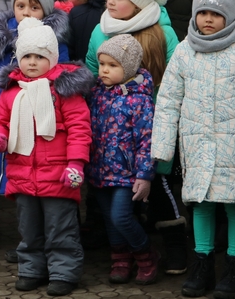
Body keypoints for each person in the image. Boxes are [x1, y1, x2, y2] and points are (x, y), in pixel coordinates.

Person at [153, 0, 235, 299]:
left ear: (230, 16)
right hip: (196, 145)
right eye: (202, 12)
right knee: (200, 204)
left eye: (216, 14)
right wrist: (163, 147)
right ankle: (201, 264)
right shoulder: (185, 51)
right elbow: (168, 100)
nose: (207, 20)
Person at [0, 18, 93, 297]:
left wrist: (75, 163)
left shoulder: (63, 91)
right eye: (27, 56)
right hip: (23, 174)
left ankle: (63, 272)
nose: (32, 62)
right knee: (29, 228)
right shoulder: (12, 92)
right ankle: (32, 269)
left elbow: (79, 129)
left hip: (58, 176)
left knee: (61, 227)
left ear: (53, 59)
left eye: (39, 57)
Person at [88, 35, 159, 286]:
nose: (104, 70)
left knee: (121, 217)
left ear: (128, 68)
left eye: (112, 65)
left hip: (126, 174)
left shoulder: (140, 100)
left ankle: (145, 255)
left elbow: (146, 141)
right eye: (102, 64)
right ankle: (120, 259)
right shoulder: (97, 93)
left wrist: (144, 175)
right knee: (109, 219)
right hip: (99, 169)